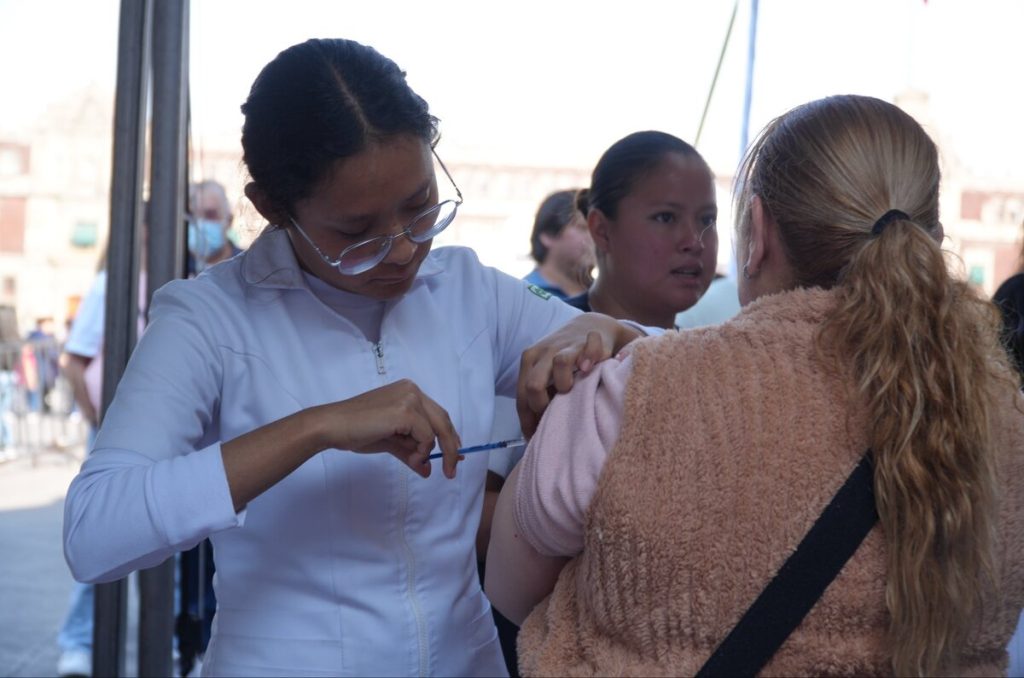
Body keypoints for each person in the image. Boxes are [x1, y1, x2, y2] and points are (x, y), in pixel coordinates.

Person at [62, 38, 646, 678]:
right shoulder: (210, 318)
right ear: (271, 209)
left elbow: (666, 368)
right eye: (355, 232)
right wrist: (317, 427)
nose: (400, 251)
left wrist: (605, 332)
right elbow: (95, 532)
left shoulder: (469, 293)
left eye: (421, 208)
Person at [486, 94, 1024, 676]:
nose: (693, 239)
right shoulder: (1003, 420)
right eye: (666, 217)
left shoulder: (623, 399)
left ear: (759, 229)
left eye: (711, 220)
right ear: (930, 236)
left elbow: (512, 594)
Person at [565, 131, 718, 330]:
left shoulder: (708, 356)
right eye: (666, 217)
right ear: (601, 230)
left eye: (707, 219)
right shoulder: (540, 342)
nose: (695, 242)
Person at [523, 190, 594, 300]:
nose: (594, 237)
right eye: (583, 228)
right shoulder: (525, 296)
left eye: (598, 229)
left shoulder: (609, 297)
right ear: (548, 235)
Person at [187, 180, 242, 273]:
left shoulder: (248, 268)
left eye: (210, 215)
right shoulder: (173, 266)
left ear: (229, 220)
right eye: (192, 216)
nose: (200, 224)